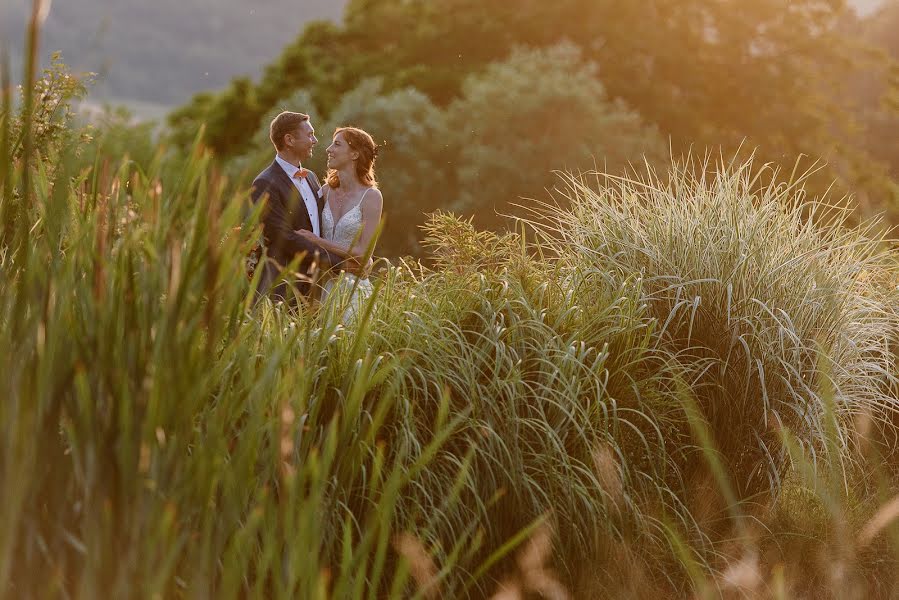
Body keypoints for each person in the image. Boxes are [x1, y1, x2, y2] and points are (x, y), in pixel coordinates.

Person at [249, 111, 361, 306]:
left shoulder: (310, 177)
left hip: (319, 287)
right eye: (310, 135)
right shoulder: (265, 183)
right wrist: (341, 265)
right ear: (289, 140)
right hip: (286, 289)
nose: (315, 140)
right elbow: (285, 238)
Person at [295, 127, 383, 321]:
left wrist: (317, 241)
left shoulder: (371, 197)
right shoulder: (325, 192)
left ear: (354, 154)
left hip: (354, 292)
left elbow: (363, 254)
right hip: (321, 289)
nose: (328, 149)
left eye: (336, 144)